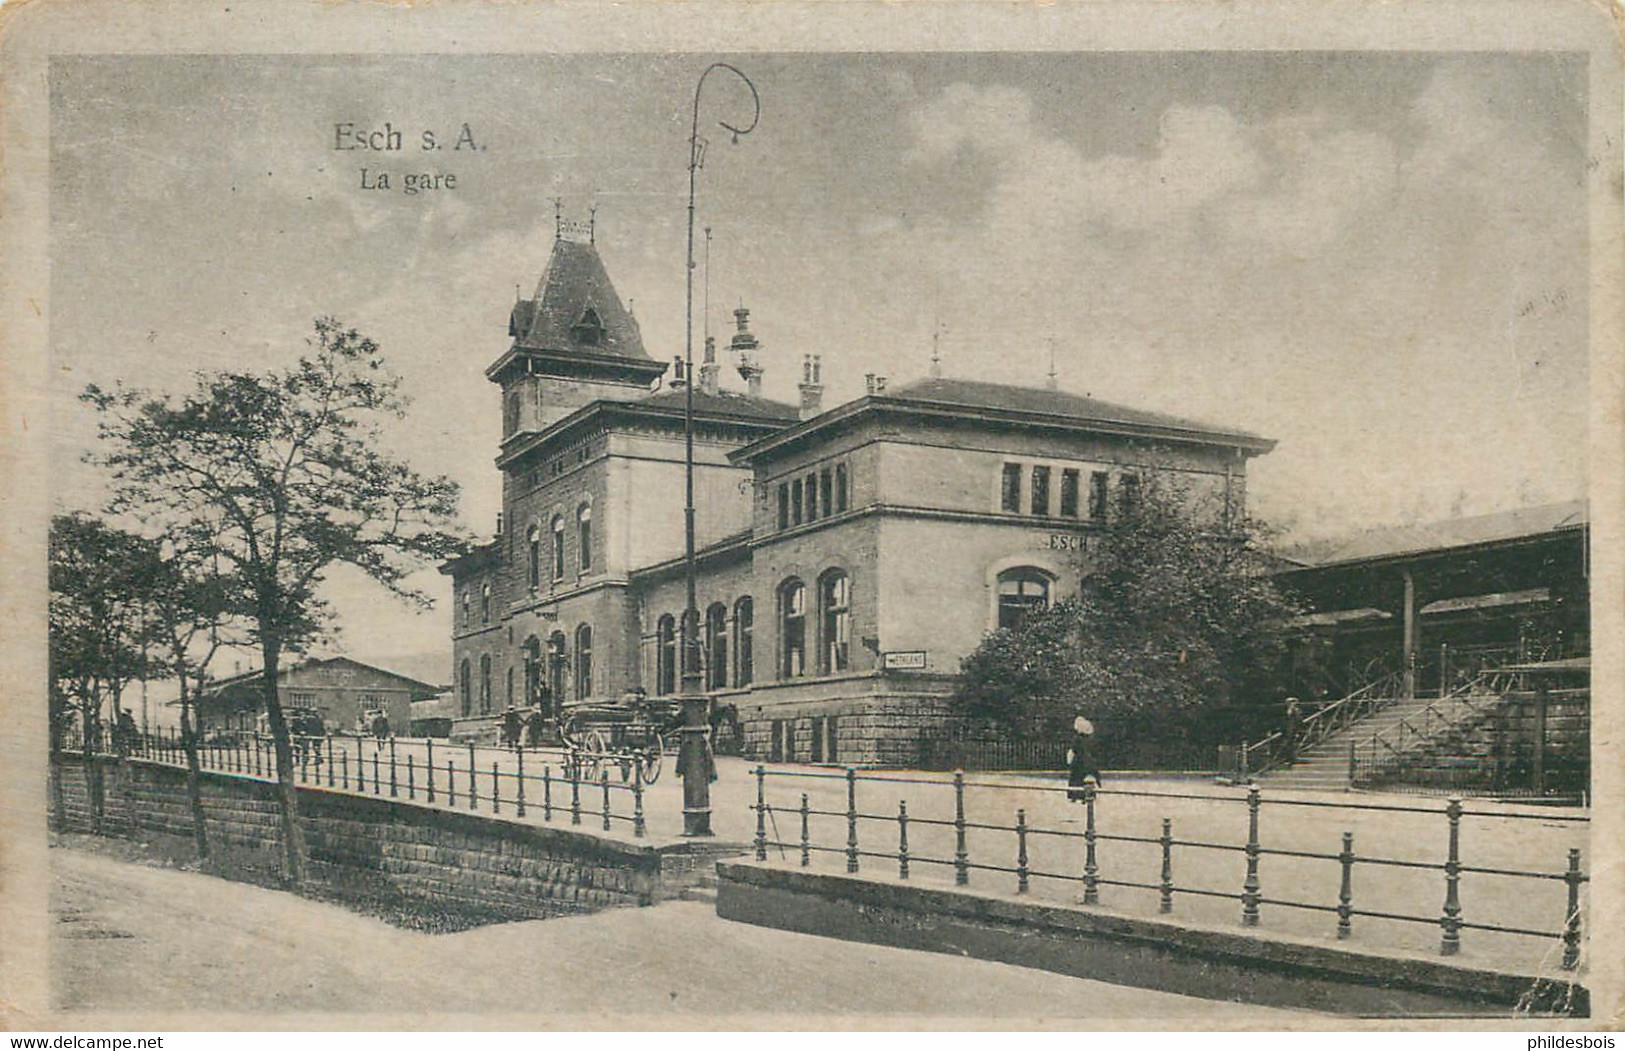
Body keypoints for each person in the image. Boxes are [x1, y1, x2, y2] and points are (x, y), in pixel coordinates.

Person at [1066, 715, 1100, 801]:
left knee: (1075, 778)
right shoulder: (1091, 739)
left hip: (1079, 761)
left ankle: (1075, 795)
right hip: (1089, 761)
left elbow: (1074, 749)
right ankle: (1089, 794)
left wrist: (1070, 760)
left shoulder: (1077, 739)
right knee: (1089, 776)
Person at [1283, 697, 1302, 765]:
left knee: (1290, 744)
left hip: (1292, 729)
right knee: (1287, 744)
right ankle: (1289, 758)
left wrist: (1297, 730)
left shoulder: (1296, 710)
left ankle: (1292, 759)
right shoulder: (1287, 710)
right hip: (1287, 730)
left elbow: (1298, 721)